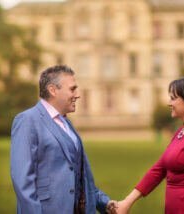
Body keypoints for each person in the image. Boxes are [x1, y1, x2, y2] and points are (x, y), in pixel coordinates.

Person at [10, 65, 117, 214]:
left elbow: (81, 175)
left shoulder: (67, 123)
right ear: (53, 90)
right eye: (72, 89)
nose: (78, 94)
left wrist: (104, 203)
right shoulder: (28, 120)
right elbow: (23, 182)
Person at [117, 76, 184, 214]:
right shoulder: (180, 133)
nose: (169, 103)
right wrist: (127, 202)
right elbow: (158, 170)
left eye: (173, 98)